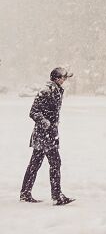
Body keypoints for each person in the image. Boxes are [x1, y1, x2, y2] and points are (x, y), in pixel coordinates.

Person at [20, 67, 75, 206]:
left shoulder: (55, 89)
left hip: (46, 135)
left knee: (35, 164)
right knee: (55, 163)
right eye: (63, 77)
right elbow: (33, 112)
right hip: (45, 135)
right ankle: (57, 196)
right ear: (57, 78)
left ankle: (25, 193)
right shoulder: (47, 91)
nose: (65, 80)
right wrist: (46, 123)